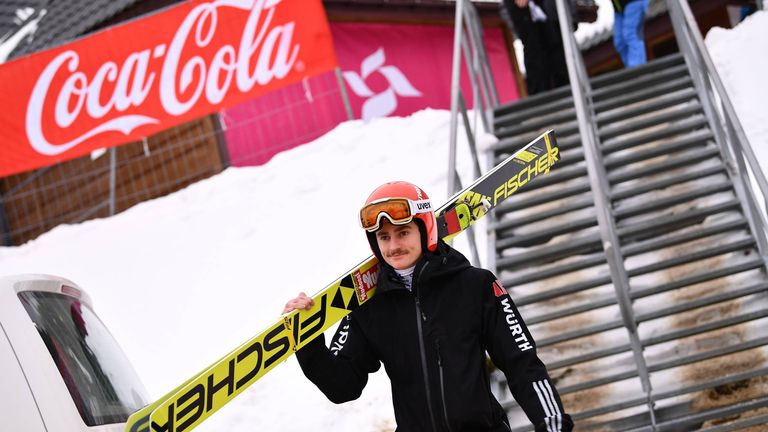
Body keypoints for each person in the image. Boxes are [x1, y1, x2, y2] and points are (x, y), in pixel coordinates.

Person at [283, 181, 573, 432]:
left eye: (403, 232)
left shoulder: (476, 286)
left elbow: (522, 364)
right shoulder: (368, 309)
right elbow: (342, 387)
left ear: (426, 229)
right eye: (384, 237)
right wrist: (307, 338)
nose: (393, 245)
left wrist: (552, 424)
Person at [501, 0, 573, 95]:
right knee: (534, 49)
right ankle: (539, 91)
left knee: (553, 45)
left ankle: (564, 85)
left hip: (543, 9)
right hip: (523, 12)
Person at [611, 0, 648, 68]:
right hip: (619, 9)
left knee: (631, 34)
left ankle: (638, 69)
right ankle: (631, 69)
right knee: (620, 42)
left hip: (634, 1)